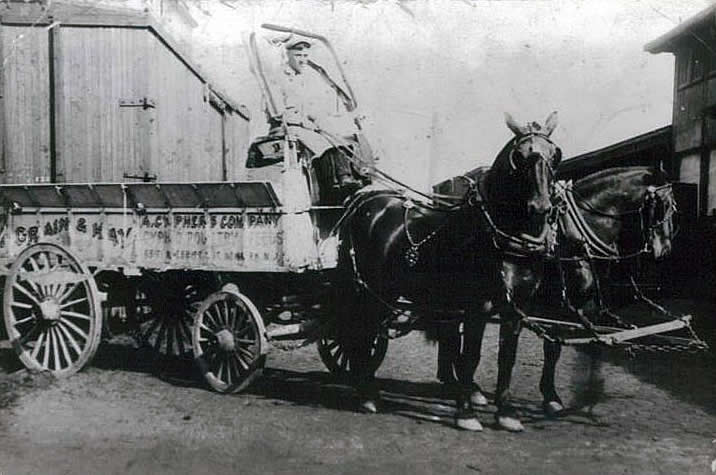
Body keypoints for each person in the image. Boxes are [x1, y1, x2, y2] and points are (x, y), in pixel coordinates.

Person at [272, 36, 365, 201]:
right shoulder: (279, 77)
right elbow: (278, 111)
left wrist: (321, 121)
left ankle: (350, 175)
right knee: (322, 142)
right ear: (288, 55)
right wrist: (303, 122)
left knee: (339, 133)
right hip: (289, 125)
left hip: (306, 124)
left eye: (305, 56)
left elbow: (312, 107)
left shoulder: (307, 77)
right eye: (298, 55)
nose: (302, 60)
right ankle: (336, 182)